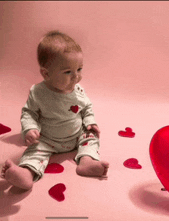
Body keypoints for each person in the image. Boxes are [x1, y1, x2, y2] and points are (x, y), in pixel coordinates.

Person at [1, 30, 109, 190]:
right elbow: (28, 113)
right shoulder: (38, 92)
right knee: (34, 151)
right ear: (46, 73)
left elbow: (87, 108)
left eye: (79, 69)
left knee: (91, 136)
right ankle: (26, 173)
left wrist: (90, 122)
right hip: (47, 140)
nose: (76, 76)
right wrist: (30, 129)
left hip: (76, 136)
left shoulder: (78, 91)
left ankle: (86, 161)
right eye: (68, 72)